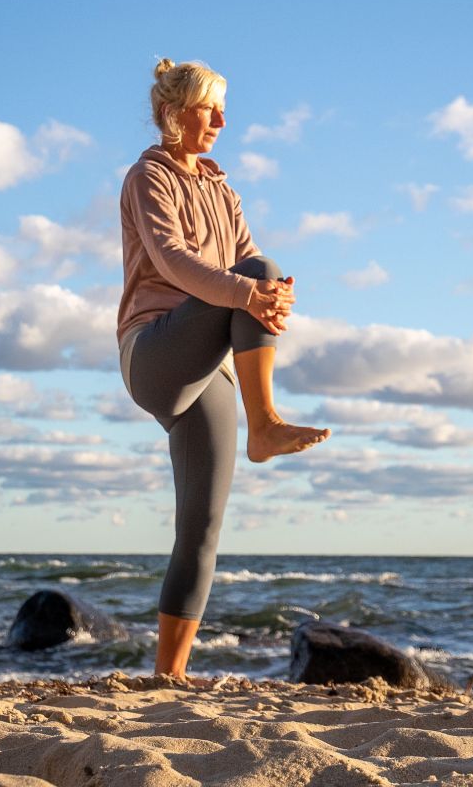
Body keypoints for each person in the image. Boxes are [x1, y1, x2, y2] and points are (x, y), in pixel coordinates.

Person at [117, 59, 331, 681]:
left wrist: (274, 297)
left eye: (221, 110)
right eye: (209, 109)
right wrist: (254, 293)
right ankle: (264, 423)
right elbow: (173, 260)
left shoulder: (223, 190)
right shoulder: (146, 177)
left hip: (210, 365)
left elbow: (245, 263)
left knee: (202, 526)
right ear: (174, 115)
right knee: (256, 278)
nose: (221, 121)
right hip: (154, 349)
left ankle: (169, 676)